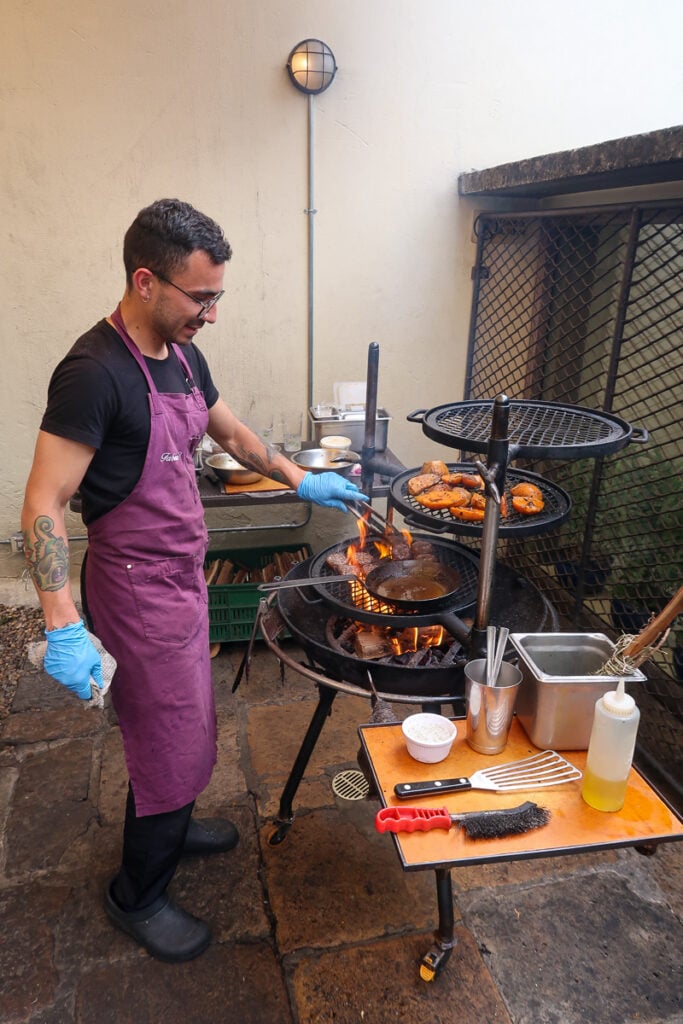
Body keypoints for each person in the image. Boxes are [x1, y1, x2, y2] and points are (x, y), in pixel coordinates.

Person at [21, 198, 366, 963]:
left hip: (181, 580)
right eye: (199, 297)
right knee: (166, 735)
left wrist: (297, 479)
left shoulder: (180, 354)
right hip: (136, 591)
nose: (210, 314)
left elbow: (229, 431)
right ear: (145, 281)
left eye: (217, 296)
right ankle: (136, 895)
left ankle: (172, 819)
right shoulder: (92, 374)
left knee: (187, 721)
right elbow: (42, 502)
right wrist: (60, 621)